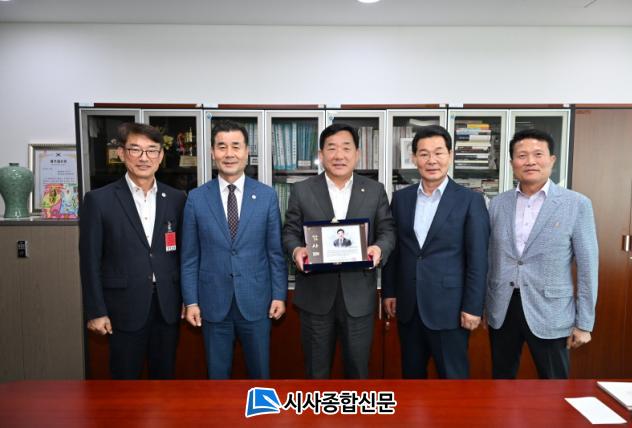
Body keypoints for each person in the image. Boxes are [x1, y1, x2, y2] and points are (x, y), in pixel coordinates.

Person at [283, 123, 395, 379]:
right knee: (316, 373)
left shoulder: (374, 190)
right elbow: (289, 232)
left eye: (346, 148)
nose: (339, 155)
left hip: (358, 298)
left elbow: (388, 231)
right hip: (315, 297)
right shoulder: (302, 190)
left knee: (358, 371)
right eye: (331, 148)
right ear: (321, 155)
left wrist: (378, 248)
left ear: (357, 154)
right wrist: (297, 250)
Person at [486, 128, 598, 379]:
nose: (530, 161)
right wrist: (484, 305)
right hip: (503, 308)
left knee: (554, 384)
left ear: (552, 160)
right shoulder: (497, 204)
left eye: (538, 154)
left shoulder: (576, 204)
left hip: (551, 310)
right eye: (522, 155)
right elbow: (490, 258)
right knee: (501, 382)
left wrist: (584, 323)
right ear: (512, 163)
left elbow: (588, 266)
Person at [79, 122, 186, 379]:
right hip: (122, 308)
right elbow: (89, 262)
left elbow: (184, 254)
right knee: (124, 384)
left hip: (167, 306)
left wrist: (187, 298)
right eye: (135, 149)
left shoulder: (177, 199)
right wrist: (96, 311)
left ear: (161, 155)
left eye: (151, 150)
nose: (144, 157)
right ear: (121, 153)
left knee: (165, 381)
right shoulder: (99, 200)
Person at [181, 120, 287, 379]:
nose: (229, 153)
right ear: (212, 152)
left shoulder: (266, 196)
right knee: (217, 378)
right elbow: (190, 257)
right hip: (213, 303)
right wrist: (191, 301)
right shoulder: (196, 198)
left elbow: (275, 252)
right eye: (222, 146)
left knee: (260, 375)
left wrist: (279, 295)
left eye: (236, 146)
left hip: (257, 301)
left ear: (247, 152)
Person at [382, 125, 489, 379]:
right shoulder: (401, 199)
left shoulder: (470, 200)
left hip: (450, 310)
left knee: (453, 380)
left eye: (439, 152)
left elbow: (478, 259)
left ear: (450, 155)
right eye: (424, 154)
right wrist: (390, 292)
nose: (432, 160)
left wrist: (473, 306)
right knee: (412, 378)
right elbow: (395, 251)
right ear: (414, 158)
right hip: (409, 307)